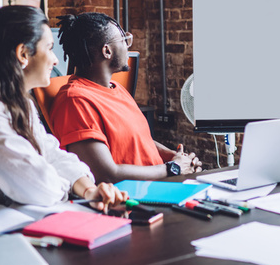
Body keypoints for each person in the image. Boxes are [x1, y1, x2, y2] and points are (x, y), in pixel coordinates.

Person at [0, 6, 127, 215]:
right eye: (49, 48)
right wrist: (72, 187)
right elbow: (41, 188)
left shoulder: (20, 104)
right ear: (23, 53)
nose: (55, 60)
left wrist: (89, 189)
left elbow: (50, 152)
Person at [50, 12, 202, 183]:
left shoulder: (117, 89)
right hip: (135, 200)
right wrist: (173, 168)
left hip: (162, 186)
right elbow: (105, 174)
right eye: (123, 40)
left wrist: (175, 157)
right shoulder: (75, 101)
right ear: (107, 51)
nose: (127, 47)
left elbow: (136, 139)